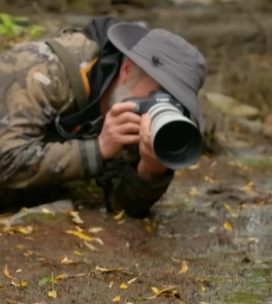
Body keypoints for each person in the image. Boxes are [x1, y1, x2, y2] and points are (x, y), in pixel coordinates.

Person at [0, 16, 207, 219]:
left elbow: (120, 207)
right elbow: (5, 160)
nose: (160, 104)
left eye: (174, 100)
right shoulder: (42, 70)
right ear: (127, 70)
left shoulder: (136, 106)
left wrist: (151, 169)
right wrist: (98, 149)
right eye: (157, 94)